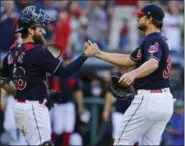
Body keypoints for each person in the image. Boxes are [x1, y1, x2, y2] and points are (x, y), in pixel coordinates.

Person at [0, 5, 99, 146]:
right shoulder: (38, 51)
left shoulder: (13, 51)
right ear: (30, 29)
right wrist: (85, 55)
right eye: (39, 27)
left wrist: (22, 93)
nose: (43, 31)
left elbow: (2, 80)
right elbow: (65, 72)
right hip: (33, 109)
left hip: (21, 108)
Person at [86, 3, 174, 145]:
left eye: (141, 16)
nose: (137, 18)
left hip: (149, 100)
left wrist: (133, 74)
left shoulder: (153, 39)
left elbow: (153, 63)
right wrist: (98, 53)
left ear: (150, 19)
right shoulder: (157, 39)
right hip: (164, 101)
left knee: (120, 142)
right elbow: (127, 60)